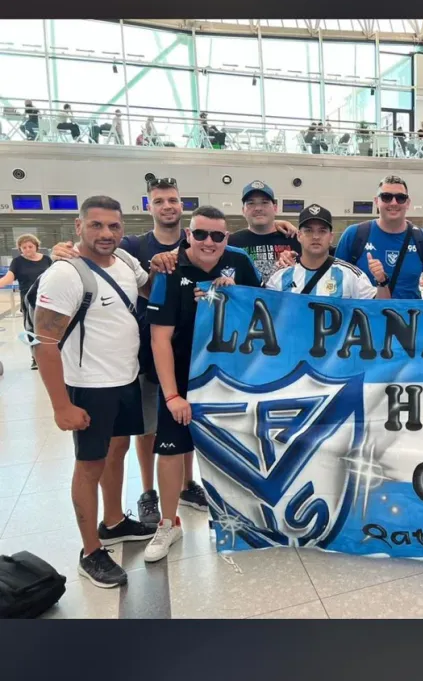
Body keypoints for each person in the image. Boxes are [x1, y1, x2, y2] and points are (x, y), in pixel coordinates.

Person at [49, 177, 210, 525]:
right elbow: (90, 256)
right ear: (148, 206)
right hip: (138, 355)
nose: (168, 206)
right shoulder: (133, 245)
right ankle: (148, 492)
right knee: (147, 426)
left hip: (187, 351)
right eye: (159, 201)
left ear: (182, 205)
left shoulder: (198, 239)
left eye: (173, 200)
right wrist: (62, 250)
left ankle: (187, 483)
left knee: (183, 419)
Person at [33, 196, 157, 588]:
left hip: (125, 379)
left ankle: (114, 521)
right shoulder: (65, 274)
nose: (106, 234)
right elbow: (43, 343)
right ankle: (90, 552)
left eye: (114, 226)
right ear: (79, 226)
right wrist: (61, 406)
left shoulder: (125, 263)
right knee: (89, 465)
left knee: (117, 451)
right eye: (97, 225)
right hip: (89, 387)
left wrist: (168, 264)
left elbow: (150, 287)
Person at [144, 206, 262, 562]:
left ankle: (239, 517)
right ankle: (168, 522)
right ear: (188, 235)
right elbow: (159, 339)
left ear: (227, 238)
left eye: (217, 236)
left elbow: (266, 309)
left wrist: (236, 295)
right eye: (200, 234)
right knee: (169, 449)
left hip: (231, 379)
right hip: (182, 377)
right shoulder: (169, 268)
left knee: (236, 448)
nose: (209, 242)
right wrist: (172, 395)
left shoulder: (240, 263)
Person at [334, 175, 423, 299]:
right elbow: (336, 280)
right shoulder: (355, 235)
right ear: (376, 201)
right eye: (386, 197)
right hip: (365, 317)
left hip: (408, 317)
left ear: (408, 203)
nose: (394, 203)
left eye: (400, 198)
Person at [266, 204, 387, 299]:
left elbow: (380, 310)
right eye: (308, 231)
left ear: (331, 237)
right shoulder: (280, 274)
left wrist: (382, 281)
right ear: (299, 236)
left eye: (322, 231)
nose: (316, 236)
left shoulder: (350, 275)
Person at [228, 181, 300, 283]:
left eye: (265, 202)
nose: (258, 208)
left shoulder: (294, 238)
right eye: (251, 203)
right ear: (243, 210)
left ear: (275, 208)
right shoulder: (231, 243)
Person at [0, 234, 52, 369]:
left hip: (48, 300)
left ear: (36, 246)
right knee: (31, 330)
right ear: (20, 249)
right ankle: (35, 358)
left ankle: (52, 355)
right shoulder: (17, 262)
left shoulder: (46, 259)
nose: (28, 250)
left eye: (30, 246)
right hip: (29, 302)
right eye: (24, 247)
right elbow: (8, 279)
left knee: (51, 329)